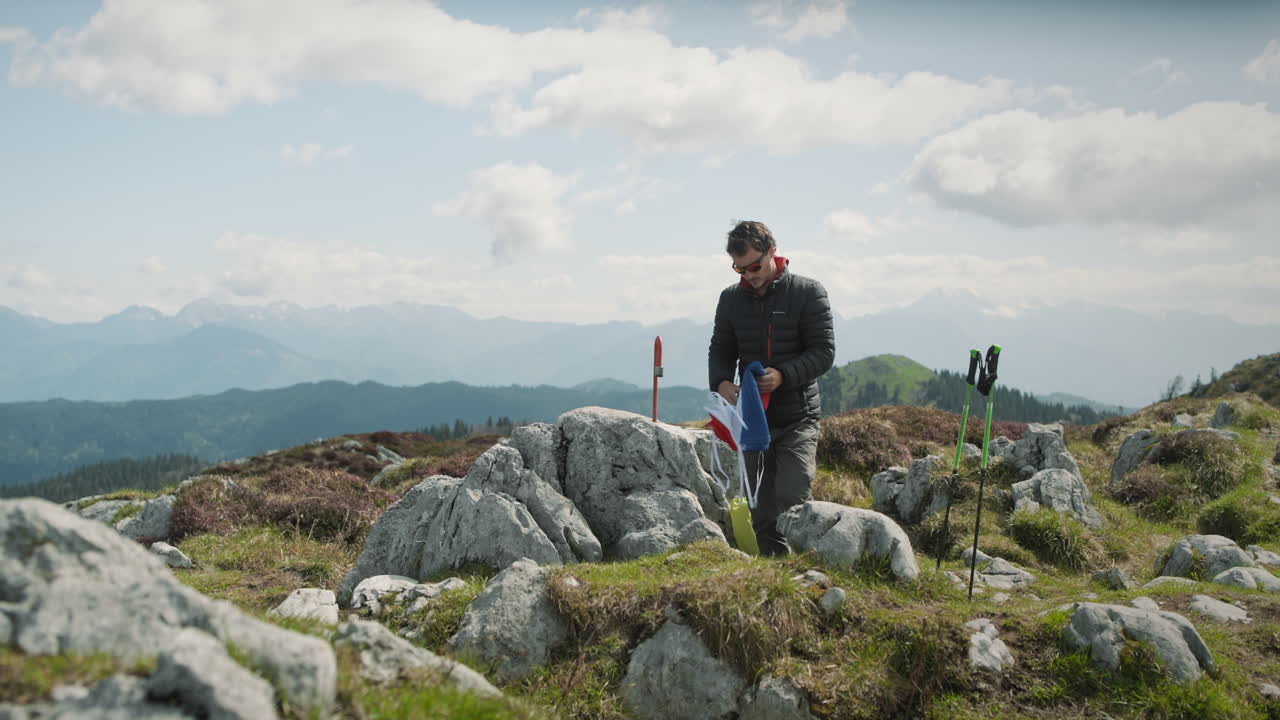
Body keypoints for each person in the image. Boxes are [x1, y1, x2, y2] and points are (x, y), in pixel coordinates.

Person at [708, 220, 835, 556]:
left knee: (793, 497)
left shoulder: (809, 293)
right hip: (752, 420)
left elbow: (824, 353)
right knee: (760, 508)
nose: (749, 274)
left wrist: (782, 375)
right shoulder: (731, 299)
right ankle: (776, 573)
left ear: (772, 252)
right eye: (740, 268)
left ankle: (807, 569)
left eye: (754, 266)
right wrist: (721, 381)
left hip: (798, 417)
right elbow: (721, 348)